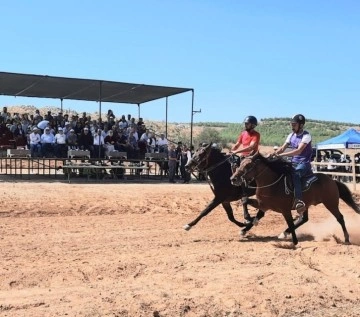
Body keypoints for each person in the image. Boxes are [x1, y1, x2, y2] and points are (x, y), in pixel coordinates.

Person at [273, 114, 312, 215]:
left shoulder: (306, 136)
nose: (292, 126)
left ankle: (299, 200)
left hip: (304, 163)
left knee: (295, 175)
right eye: (292, 124)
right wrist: (274, 153)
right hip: (293, 162)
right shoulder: (291, 135)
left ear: (301, 125)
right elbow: (282, 148)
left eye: (294, 125)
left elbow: (298, 151)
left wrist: (282, 154)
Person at [229, 115, 261, 222]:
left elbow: (252, 147)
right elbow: (238, 144)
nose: (245, 125)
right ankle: (236, 183)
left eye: (247, 124)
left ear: (252, 125)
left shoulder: (256, 135)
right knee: (232, 165)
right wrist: (232, 149)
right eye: (245, 123)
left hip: (252, 157)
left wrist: (237, 152)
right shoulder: (243, 133)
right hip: (243, 157)